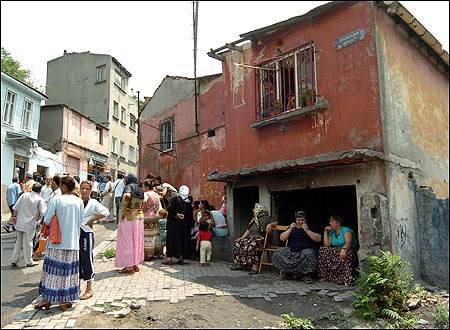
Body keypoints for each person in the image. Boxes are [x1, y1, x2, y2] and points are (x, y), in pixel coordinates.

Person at [35, 176, 84, 311]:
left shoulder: (57, 199)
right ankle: (64, 300)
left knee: (52, 272)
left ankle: (47, 299)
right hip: (73, 242)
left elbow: (48, 219)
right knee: (67, 273)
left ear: (63, 186)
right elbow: (81, 220)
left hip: (56, 242)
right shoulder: (79, 201)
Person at [79, 180, 109, 300]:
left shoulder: (93, 203)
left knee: (87, 259)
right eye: (83, 188)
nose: (84, 191)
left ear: (91, 190)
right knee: (77, 259)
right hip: (76, 233)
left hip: (87, 233)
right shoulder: (77, 202)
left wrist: (92, 220)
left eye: (87, 189)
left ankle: (89, 288)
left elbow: (105, 212)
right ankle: (77, 286)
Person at [272, 211, 322, 282]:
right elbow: (282, 238)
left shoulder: (310, 227)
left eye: (302, 220)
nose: (300, 222)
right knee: (279, 251)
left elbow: (318, 239)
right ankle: (288, 273)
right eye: (298, 220)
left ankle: (306, 275)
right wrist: (290, 229)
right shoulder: (292, 227)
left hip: (305, 251)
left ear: (305, 220)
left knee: (309, 253)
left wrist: (307, 231)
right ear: (295, 220)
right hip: (292, 250)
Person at [231, 203, 278, 275]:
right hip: (252, 237)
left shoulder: (266, 217)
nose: (253, 210)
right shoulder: (254, 219)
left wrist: (270, 224)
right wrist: (242, 237)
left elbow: (276, 222)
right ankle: (241, 264)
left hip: (261, 239)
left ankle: (255, 267)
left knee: (252, 244)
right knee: (238, 243)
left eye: (255, 208)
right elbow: (249, 230)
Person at [11, 183, 47, 267]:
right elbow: (43, 212)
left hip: (20, 222)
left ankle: (14, 259)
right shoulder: (39, 199)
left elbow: (15, 208)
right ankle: (28, 261)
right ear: (40, 190)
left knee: (18, 242)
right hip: (30, 224)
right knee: (28, 242)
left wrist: (14, 216)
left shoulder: (24, 195)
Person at [115, 173, 145, 274]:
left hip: (128, 218)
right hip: (139, 217)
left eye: (125, 180)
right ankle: (135, 263)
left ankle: (128, 267)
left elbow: (127, 195)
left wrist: (123, 207)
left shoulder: (129, 187)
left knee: (127, 241)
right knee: (136, 241)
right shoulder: (140, 189)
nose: (124, 183)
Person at [318, 214, 359, 287]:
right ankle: (326, 276)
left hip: (348, 249)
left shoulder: (346, 230)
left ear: (338, 223)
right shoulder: (332, 232)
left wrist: (344, 250)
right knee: (323, 250)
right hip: (336, 250)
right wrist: (325, 232)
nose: (330, 223)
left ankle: (347, 279)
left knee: (347, 254)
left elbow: (348, 242)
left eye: (332, 221)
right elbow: (327, 245)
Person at [162, 185, 194, 265]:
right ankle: (181, 258)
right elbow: (190, 217)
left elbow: (170, 209)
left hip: (174, 226)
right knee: (183, 241)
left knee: (172, 240)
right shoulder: (188, 202)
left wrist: (176, 215)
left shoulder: (175, 199)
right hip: (185, 227)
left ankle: (169, 258)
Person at [142, 180, 163, 260]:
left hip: (148, 216)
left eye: (143, 186)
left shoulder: (146, 194)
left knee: (148, 236)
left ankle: (148, 254)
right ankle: (157, 252)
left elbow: (144, 202)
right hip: (156, 216)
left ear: (147, 187)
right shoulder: (156, 194)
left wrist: (143, 209)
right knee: (155, 235)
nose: (142, 188)